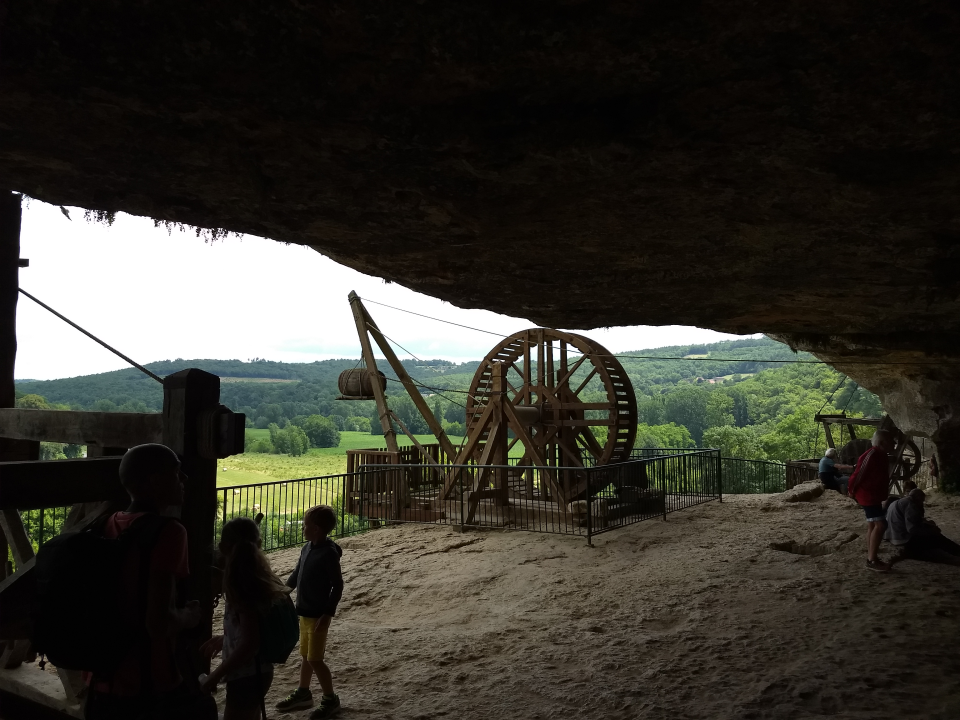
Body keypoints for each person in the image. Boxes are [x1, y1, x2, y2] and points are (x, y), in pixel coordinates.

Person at [83, 443, 207, 720]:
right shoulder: (169, 533)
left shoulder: (103, 526)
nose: (184, 479)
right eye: (177, 472)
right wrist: (190, 616)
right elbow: (158, 623)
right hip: (148, 683)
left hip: (101, 678)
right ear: (155, 480)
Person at [200, 517, 290, 719]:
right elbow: (253, 628)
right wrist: (227, 639)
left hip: (246, 676)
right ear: (259, 545)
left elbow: (249, 644)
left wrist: (214, 676)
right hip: (260, 672)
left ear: (222, 547)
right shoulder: (258, 579)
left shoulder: (240, 585)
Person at [275, 505, 344, 719]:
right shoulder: (307, 548)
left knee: (315, 659)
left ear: (315, 529)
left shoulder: (328, 554)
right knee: (306, 656)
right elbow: (297, 573)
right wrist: (283, 592)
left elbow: (338, 585)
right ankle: (303, 692)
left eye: (305, 525)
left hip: (318, 615)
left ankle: (330, 699)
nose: (303, 529)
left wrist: (328, 614)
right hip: (304, 612)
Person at [847, 430, 895, 572]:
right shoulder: (872, 455)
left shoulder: (881, 455)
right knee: (880, 525)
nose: (894, 444)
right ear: (882, 443)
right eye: (891, 441)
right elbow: (858, 474)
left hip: (873, 494)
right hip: (868, 495)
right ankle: (872, 560)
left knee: (872, 525)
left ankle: (871, 556)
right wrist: (851, 490)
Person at [886, 488, 960, 565]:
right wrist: (931, 531)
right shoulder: (911, 505)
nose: (922, 503)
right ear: (918, 498)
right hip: (903, 539)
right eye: (922, 501)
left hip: (892, 536)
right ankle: (957, 551)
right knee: (937, 538)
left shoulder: (898, 502)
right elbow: (912, 529)